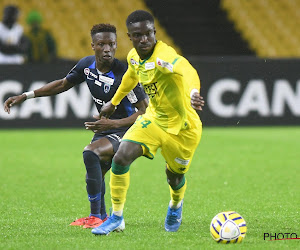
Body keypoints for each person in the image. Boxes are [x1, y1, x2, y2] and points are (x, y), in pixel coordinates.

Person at [3, 23, 148, 229]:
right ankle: (105, 218)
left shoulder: (125, 73)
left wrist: (112, 123)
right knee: (97, 167)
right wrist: (26, 95)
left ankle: (96, 217)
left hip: (126, 129)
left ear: (116, 45)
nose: (107, 48)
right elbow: (63, 84)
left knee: (91, 153)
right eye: (102, 44)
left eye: (112, 44)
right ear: (93, 46)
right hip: (105, 128)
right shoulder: (87, 66)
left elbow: (145, 112)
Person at [91, 10, 204, 235]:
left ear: (155, 33)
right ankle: (116, 216)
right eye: (138, 35)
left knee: (175, 176)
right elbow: (131, 76)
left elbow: (186, 69)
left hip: (183, 128)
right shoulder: (133, 56)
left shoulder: (164, 55)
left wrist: (193, 91)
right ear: (129, 36)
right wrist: (113, 103)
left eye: (148, 34)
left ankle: (175, 204)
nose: (144, 39)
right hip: (153, 120)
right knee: (122, 155)